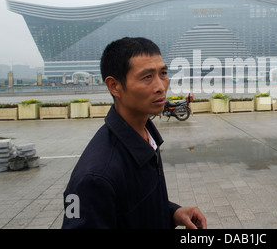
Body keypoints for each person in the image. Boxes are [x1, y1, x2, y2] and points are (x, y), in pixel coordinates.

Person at [62, 37, 207, 228]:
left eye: (163, 73)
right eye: (147, 77)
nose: (160, 87)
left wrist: (172, 212)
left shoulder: (147, 137)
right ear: (114, 86)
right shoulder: (94, 178)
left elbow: (136, 207)